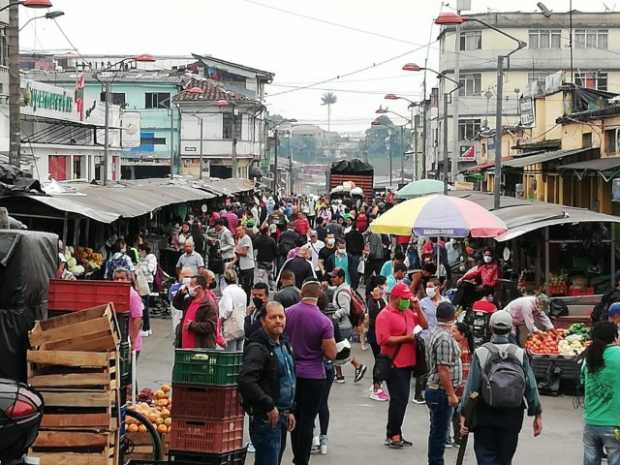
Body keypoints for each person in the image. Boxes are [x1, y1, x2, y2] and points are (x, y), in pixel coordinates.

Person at [459, 310, 543, 465]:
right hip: (512, 416)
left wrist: (464, 412)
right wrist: (536, 414)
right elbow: (531, 386)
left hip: (485, 415)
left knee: (486, 457)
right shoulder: (520, 353)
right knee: (505, 459)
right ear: (511, 328)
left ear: (490, 327)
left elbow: (471, 388)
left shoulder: (481, 352)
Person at [285, 281, 337, 465]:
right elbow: (331, 353)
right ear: (318, 296)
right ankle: (301, 460)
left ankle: (295, 453)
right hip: (314, 375)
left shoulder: (287, 313)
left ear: (301, 294)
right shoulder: (324, 321)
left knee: (293, 416)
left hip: (291, 373)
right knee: (307, 419)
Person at [239, 301, 296, 465]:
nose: (279, 321)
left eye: (281, 317)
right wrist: (268, 405)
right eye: (273, 317)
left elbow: (288, 378)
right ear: (263, 320)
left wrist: (290, 409)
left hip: (282, 415)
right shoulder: (258, 346)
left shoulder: (283, 343)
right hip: (266, 418)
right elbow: (246, 380)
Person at [375, 282, 428, 448]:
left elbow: (424, 325)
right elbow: (383, 340)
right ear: (395, 298)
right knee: (399, 399)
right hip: (394, 364)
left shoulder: (408, 312)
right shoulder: (384, 315)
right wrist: (406, 339)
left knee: (402, 399)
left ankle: (395, 432)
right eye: (404, 298)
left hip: (408, 363)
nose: (407, 300)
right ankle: (393, 434)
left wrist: (417, 308)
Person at [425, 302, 462, 465]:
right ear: (453, 317)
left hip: (437, 389)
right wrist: (451, 394)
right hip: (440, 391)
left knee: (437, 431)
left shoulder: (436, 332)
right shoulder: (445, 338)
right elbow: (443, 369)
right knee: (439, 433)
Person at [581, 321, 620, 465]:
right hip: (615, 424)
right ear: (615, 337)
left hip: (591, 423)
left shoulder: (589, 356)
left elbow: (582, 381)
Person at [329, 268, 367, 384]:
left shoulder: (342, 292)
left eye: (334, 277)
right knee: (338, 349)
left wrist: (333, 316)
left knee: (338, 350)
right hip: (343, 325)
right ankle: (339, 375)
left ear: (341, 278)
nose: (332, 279)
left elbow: (345, 310)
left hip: (342, 325)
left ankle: (358, 366)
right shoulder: (344, 288)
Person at [173, 274, 218, 349]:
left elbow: (211, 326)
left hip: (199, 349)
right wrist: (181, 294)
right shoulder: (189, 300)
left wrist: (192, 325)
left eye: (191, 285)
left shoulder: (209, 305)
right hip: (184, 347)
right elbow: (177, 304)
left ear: (199, 288)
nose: (189, 287)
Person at [366, 276, 388, 401]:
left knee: (380, 360)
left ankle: (377, 384)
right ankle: (376, 387)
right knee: (380, 361)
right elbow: (375, 319)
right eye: (380, 288)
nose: (382, 290)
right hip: (376, 336)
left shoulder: (379, 301)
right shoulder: (373, 302)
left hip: (378, 335)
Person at [113, 268, 143, 359]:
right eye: (116, 278)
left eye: (122, 278)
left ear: (128, 280)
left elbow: (137, 319)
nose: (119, 281)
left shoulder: (132, 295)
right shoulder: (116, 293)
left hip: (130, 343)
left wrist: (132, 342)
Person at [452, 322, 473, 446]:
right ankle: (458, 436)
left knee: (456, 412)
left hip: (459, 384)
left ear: (462, 334)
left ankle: (457, 436)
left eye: (454, 331)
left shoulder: (458, 347)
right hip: (465, 384)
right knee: (460, 411)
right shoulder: (469, 346)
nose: (451, 333)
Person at [219, 269, 248, 351]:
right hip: (241, 324)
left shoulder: (227, 291)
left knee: (230, 353)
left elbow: (228, 308)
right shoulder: (242, 291)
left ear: (225, 279)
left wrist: (221, 319)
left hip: (231, 326)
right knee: (239, 353)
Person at [137, 243, 157, 336]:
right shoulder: (141, 259)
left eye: (140, 250)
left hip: (147, 283)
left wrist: (140, 269)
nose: (139, 252)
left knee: (144, 306)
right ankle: (146, 327)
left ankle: (146, 328)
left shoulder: (151, 257)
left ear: (144, 251)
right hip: (140, 282)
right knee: (142, 305)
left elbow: (150, 269)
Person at [236, 225, 255, 302]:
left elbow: (244, 253)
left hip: (248, 267)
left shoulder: (246, 238)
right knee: (241, 286)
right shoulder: (240, 239)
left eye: (240, 230)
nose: (238, 232)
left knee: (247, 287)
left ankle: (246, 303)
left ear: (244, 230)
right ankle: (242, 302)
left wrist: (236, 251)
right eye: (237, 231)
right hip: (242, 266)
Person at [344, 222, 364, 289]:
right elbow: (362, 246)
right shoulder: (360, 235)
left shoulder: (347, 235)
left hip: (349, 254)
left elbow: (345, 245)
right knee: (356, 270)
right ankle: (355, 285)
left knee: (349, 269)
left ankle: (350, 283)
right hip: (357, 255)